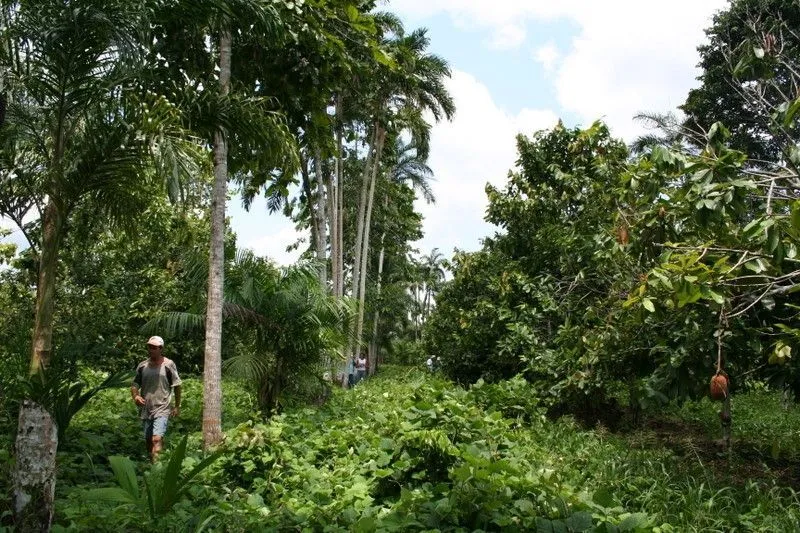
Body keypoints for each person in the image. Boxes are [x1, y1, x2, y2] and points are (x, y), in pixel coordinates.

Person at [130, 335, 182, 462]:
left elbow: (177, 385)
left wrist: (177, 406)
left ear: (160, 349)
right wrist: (136, 396)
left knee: (156, 439)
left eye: (154, 347)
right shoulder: (142, 366)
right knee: (148, 440)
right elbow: (135, 384)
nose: (151, 349)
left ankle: (157, 468)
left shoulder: (168, 365)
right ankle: (151, 462)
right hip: (146, 408)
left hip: (162, 407)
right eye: (149, 347)